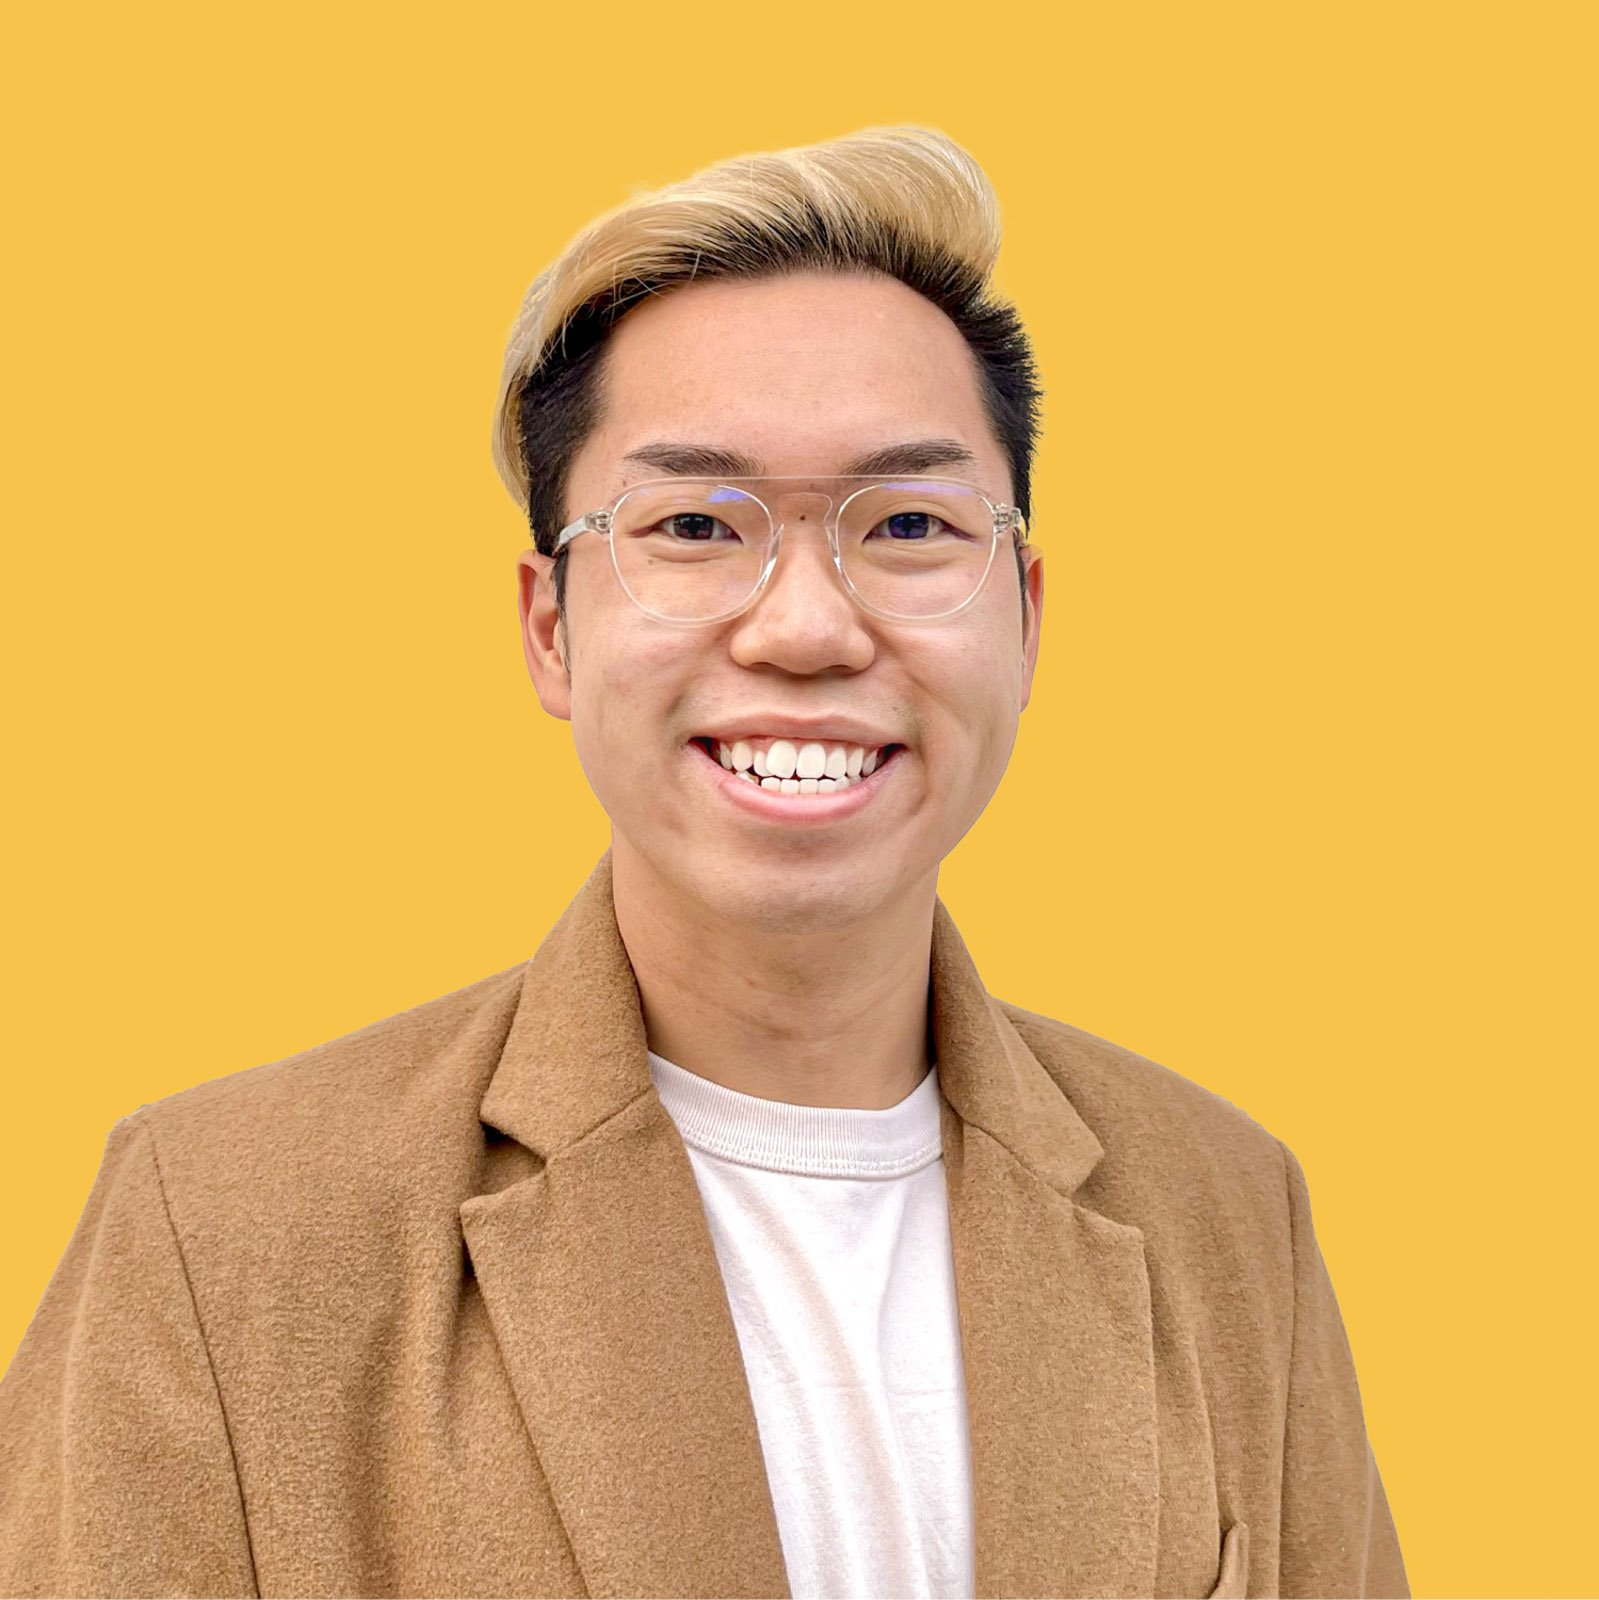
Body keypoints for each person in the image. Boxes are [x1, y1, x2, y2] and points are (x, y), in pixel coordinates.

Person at [0, 127, 1408, 1599]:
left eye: (912, 523)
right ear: (551, 627)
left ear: (1028, 618)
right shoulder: (226, 1226)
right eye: (692, 524)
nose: (805, 628)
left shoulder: (1229, 1208)